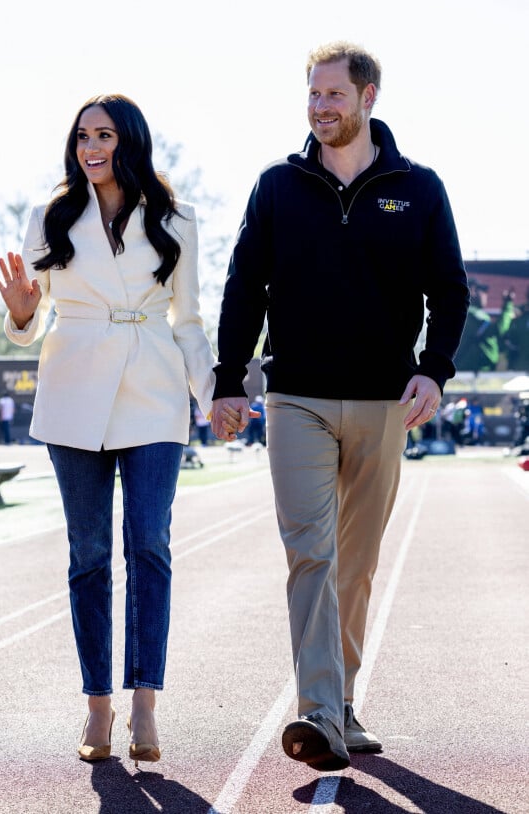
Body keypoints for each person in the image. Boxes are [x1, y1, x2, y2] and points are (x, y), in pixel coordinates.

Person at [210, 41, 469, 772]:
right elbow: (242, 287)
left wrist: (434, 371)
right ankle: (318, 714)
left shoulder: (418, 188)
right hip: (296, 399)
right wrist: (231, 379)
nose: (321, 107)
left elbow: (449, 291)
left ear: (367, 98)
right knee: (311, 554)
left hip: (386, 401)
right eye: (313, 96)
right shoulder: (277, 186)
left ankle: (342, 702)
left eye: (333, 95)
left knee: (355, 565)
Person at [0, 94, 239, 764]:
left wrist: (214, 396)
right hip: (72, 394)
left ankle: (145, 703)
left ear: (129, 141)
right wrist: (19, 314)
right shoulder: (52, 213)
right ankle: (97, 707)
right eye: (81, 137)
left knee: (150, 547)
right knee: (89, 556)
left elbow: (188, 323)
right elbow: (30, 320)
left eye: (103, 136)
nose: (90, 148)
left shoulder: (178, 218)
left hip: (154, 395)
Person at [455, 279, 515, 372]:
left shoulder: (461, 312)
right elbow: (499, 329)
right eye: (483, 291)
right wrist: (507, 305)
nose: (485, 295)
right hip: (475, 372)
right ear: (473, 290)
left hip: (468, 370)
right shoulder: (472, 315)